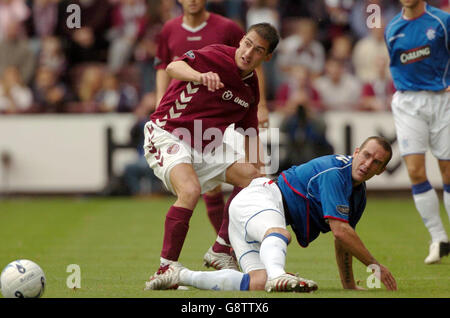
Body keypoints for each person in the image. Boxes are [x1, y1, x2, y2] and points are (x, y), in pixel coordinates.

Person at [145, 136, 398, 292]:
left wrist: (348, 284)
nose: (367, 164)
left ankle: (178, 275)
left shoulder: (358, 194)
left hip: (250, 217)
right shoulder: (335, 173)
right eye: (366, 155)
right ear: (355, 152)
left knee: (257, 281)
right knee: (278, 233)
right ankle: (279, 275)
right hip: (261, 199)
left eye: (377, 162)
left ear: (382, 170)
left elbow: (343, 238)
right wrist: (375, 266)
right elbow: (340, 230)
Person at [143, 23, 279, 284]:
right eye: (247, 43)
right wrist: (198, 76)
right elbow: (173, 67)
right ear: (240, 41)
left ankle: (220, 248)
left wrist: (262, 175)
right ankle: (167, 267)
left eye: (258, 50)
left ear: (266, 57)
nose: (248, 53)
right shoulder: (217, 55)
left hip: (205, 142)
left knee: (252, 180)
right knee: (191, 191)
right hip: (168, 131)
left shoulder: (251, 87)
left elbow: (250, 132)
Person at [385, 0, 450, 264]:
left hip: (442, 100)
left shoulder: (442, 22)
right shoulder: (392, 28)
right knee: (415, 171)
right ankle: (439, 238)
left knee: (447, 170)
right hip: (408, 103)